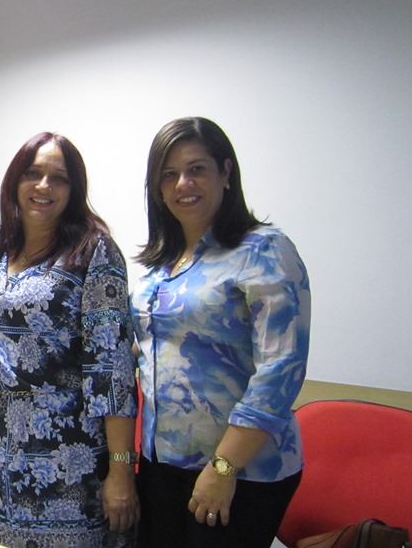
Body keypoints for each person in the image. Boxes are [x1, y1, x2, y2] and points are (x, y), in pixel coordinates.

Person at [130, 117, 311, 548]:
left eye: (197, 169)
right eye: (168, 174)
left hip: (240, 469)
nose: (182, 184)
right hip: (161, 462)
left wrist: (223, 468)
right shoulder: (160, 265)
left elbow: (280, 369)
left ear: (226, 172)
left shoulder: (263, 250)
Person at [0, 132, 139, 548]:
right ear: (14, 181)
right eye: (33, 173)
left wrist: (120, 470)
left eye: (58, 178)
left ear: (74, 189)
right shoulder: (1, 243)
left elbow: (111, 367)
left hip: (67, 457)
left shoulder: (93, 251)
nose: (43, 186)